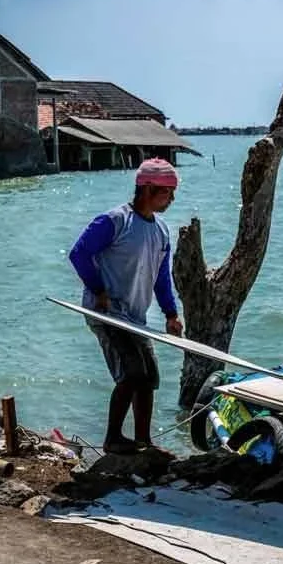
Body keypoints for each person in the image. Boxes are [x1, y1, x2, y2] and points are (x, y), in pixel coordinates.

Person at [68, 158, 184, 455]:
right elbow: (79, 254)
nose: (170, 199)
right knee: (131, 373)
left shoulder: (161, 231)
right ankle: (112, 439)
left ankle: (143, 441)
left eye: (172, 193)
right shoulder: (115, 221)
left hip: (135, 317)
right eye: (166, 192)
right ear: (146, 188)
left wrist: (171, 313)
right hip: (106, 313)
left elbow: (160, 277)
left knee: (149, 377)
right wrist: (98, 290)